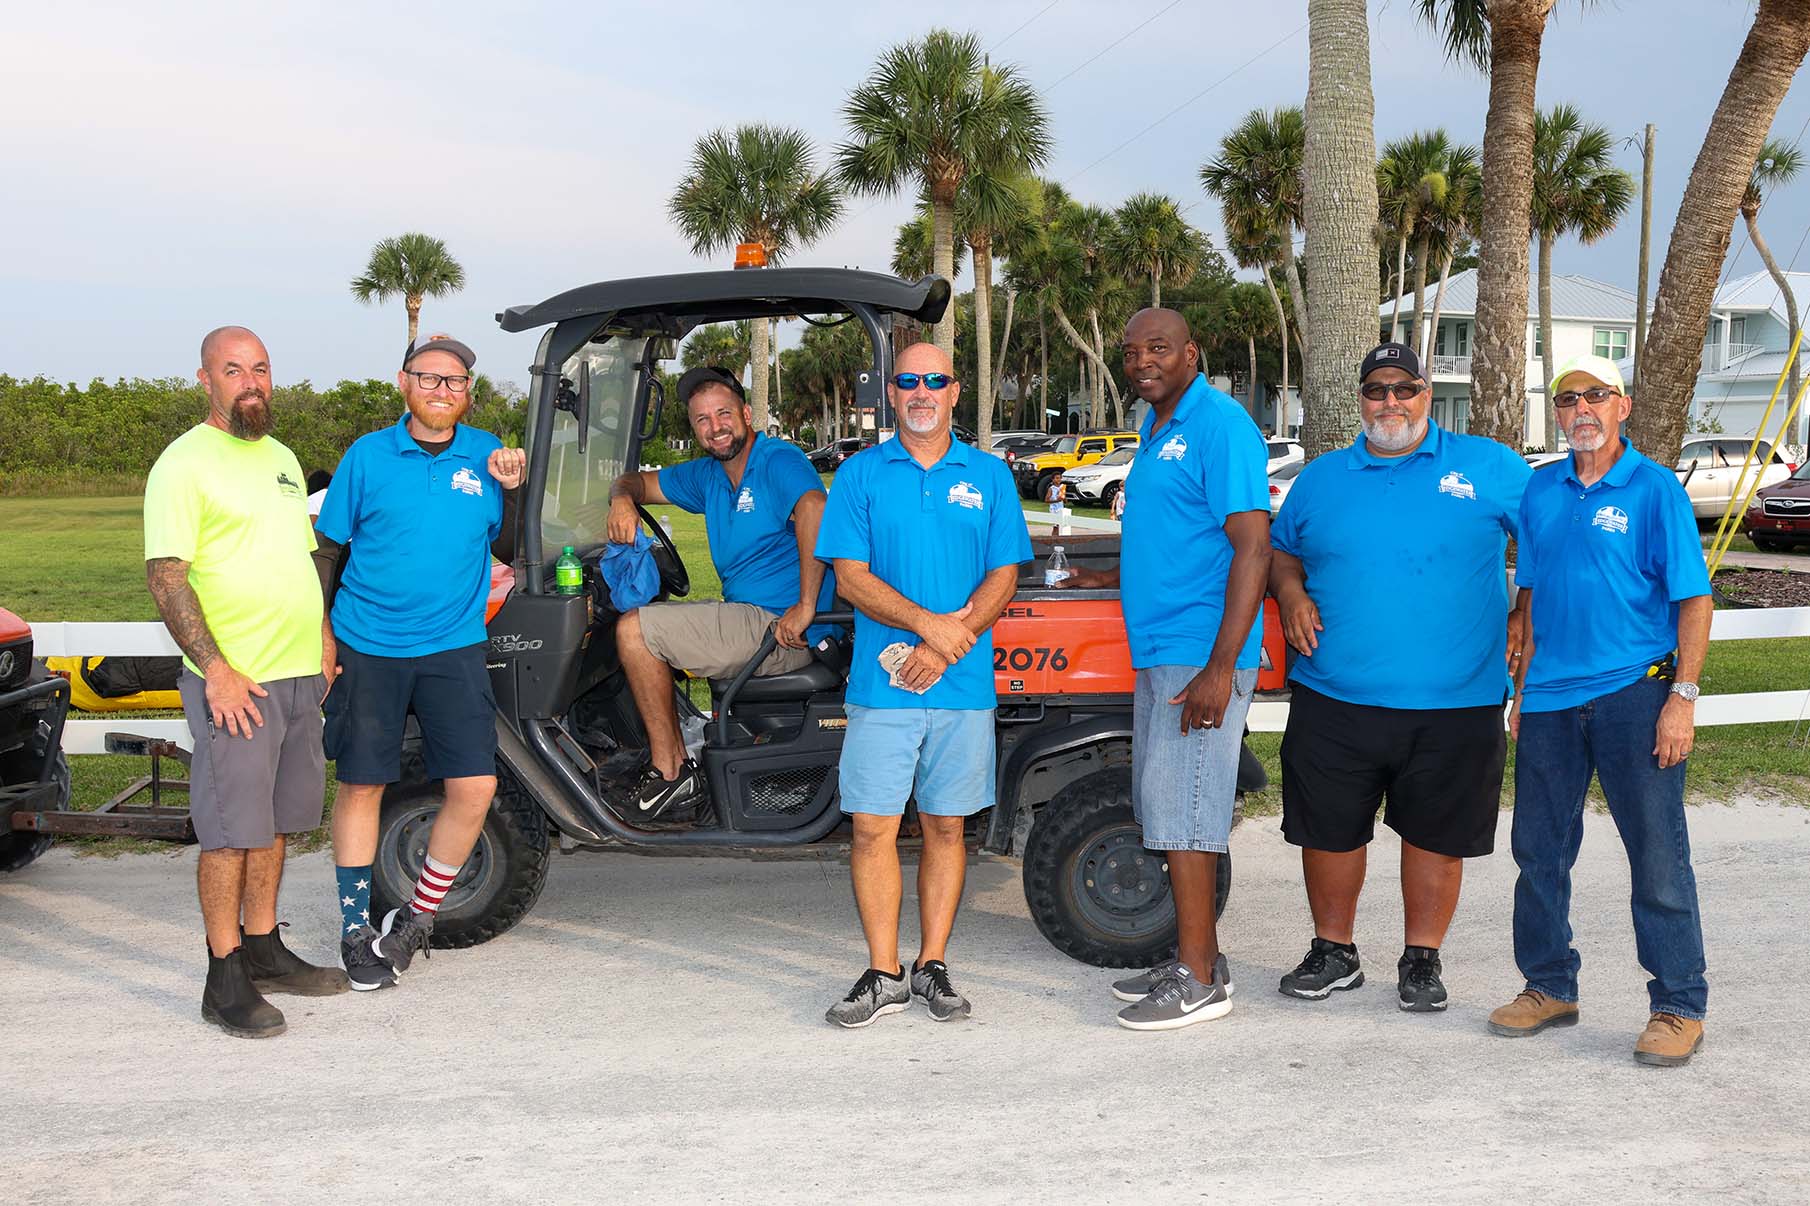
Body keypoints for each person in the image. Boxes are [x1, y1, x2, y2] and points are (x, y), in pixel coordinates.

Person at [1268, 342, 1531, 1012]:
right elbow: (1280, 551)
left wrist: (1524, 610)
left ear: (1425, 395)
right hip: (1335, 692)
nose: (1390, 402)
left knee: (1436, 836)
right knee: (1328, 831)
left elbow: (1550, 539)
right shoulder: (1322, 478)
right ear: (1360, 399)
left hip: (1457, 699)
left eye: (1404, 388)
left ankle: (1422, 960)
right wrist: (1290, 593)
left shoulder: (1488, 465)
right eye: (1376, 390)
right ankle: (1334, 951)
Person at [1489, 353, 1714, 1067]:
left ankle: (1678, 1004)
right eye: (1567, 399)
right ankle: (1549, 985)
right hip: (1551, 700)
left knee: (1656, 854)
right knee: (1539, 852)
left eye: (1595, 395)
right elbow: (1533, 589)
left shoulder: (1653, 489)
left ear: (1622, 406)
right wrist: (1524, 685)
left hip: (1634, 694)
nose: (1580, 409)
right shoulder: (1541, 488)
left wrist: (1681, 699)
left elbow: (1694, 600)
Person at [1057, 308, 1269, 1031]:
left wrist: (1219, 668)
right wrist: (1104, 580)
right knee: (1164, 807)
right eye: (1131, 351)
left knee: (1186, 814)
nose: (1142, 361)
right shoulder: (1155, 426)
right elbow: (1173, 534)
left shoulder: (1220, 425)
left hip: (1199, 653)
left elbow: (1253, 547)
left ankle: (1199, 982)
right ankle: (1197, 957)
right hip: (1161, 648)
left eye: (1158, 348)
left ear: (1191, 353)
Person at [815, 344, 1030, 1027]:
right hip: (883, 688)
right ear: (891, 392)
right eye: (908, 380)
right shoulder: (859, 474)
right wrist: (927, 626)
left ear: (954, 391)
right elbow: (850, 578)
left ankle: (931, 963)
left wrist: (942, 645)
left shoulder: (989, 475)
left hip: (960, 686)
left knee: (945, 826)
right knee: (872, 829)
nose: (921, 391)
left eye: (935, 380)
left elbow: (1004, 575)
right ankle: (883, 974)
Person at [143, 326, 348, 1038]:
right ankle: (223, 975)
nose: (251, 382)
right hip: (237, 684)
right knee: (230, 832)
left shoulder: (283, 459)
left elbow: (302, 560)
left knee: (277, 823)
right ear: (206, 380)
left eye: (260, 368)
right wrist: (217, 669)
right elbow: (167, 579)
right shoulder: (183, 464)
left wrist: (322, 636)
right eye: (233, 370)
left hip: (298, 674)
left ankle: (263, 948)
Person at [314, 333, 526, 990]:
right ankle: (355, 927)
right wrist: (321, 634)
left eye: (454, 380)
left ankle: (415, 919)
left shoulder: (488, 453)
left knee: (475, 786)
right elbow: (327, 549)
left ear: (469, 393)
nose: (441, 389)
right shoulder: (367, 455)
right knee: (362, 784)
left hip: (453, 644)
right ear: (404, 384)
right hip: (367, 643)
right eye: (428, 377)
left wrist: (514, 489)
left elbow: (508, 546)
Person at [606, 366, 836, 817]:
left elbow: (814, 507)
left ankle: (671, 774)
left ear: (746, 414)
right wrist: (621, 499)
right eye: (703, 420)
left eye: (724, 414)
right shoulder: (708, 475)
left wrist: (806, 605)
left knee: (634, 632)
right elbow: (638, 482)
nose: (715, 427)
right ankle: (677, 761)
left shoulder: (776, 460)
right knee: (652, 624)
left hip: (781, 629)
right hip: (750, 619)